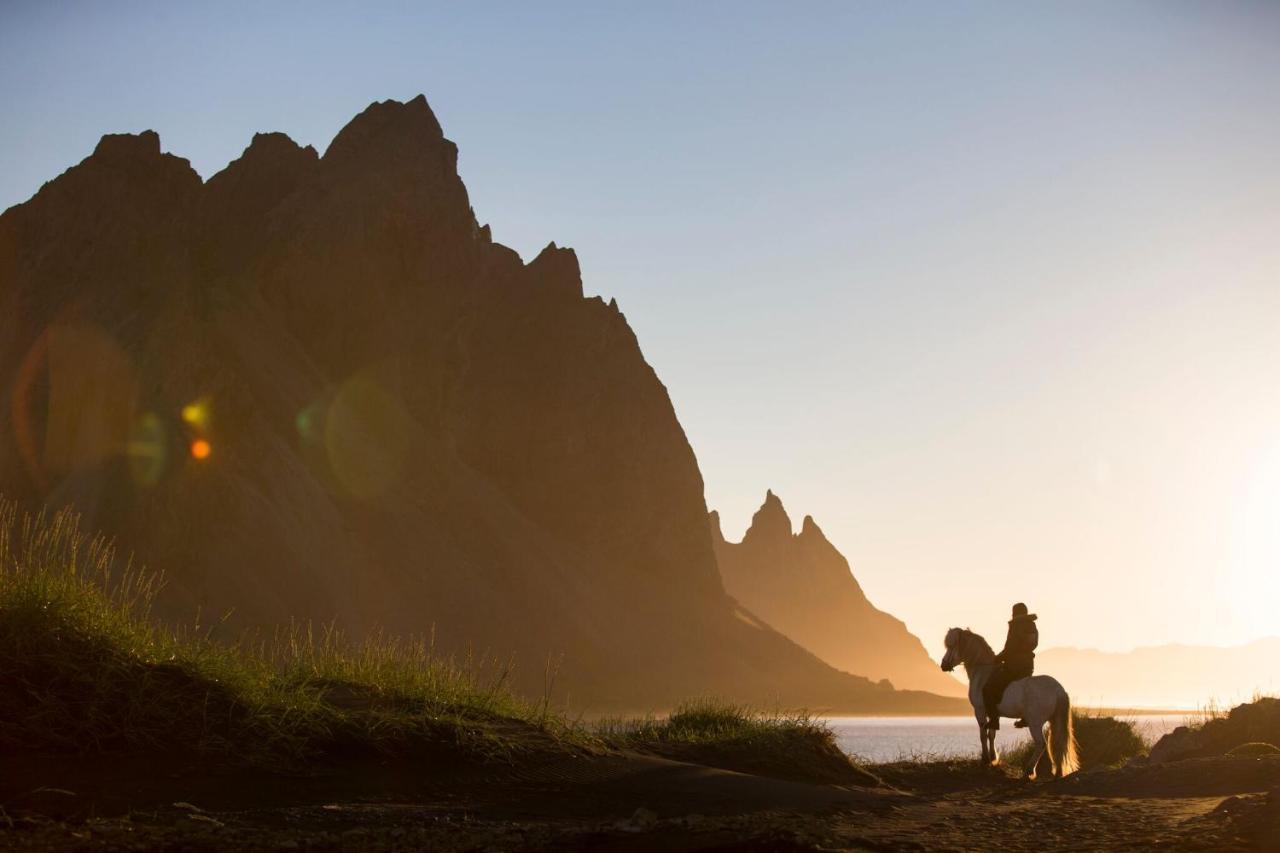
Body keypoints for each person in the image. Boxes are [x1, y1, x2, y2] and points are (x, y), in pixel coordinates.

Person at [983, 602, 1038, 731]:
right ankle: (1025, 717)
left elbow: (1009, 648)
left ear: (1015, 613)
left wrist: (997, 658)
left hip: (1014, 668)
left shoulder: (1016, 626)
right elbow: (1033, 645)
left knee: (988, 688)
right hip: (1028, 667)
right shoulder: (1032, 625)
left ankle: (994, 721)